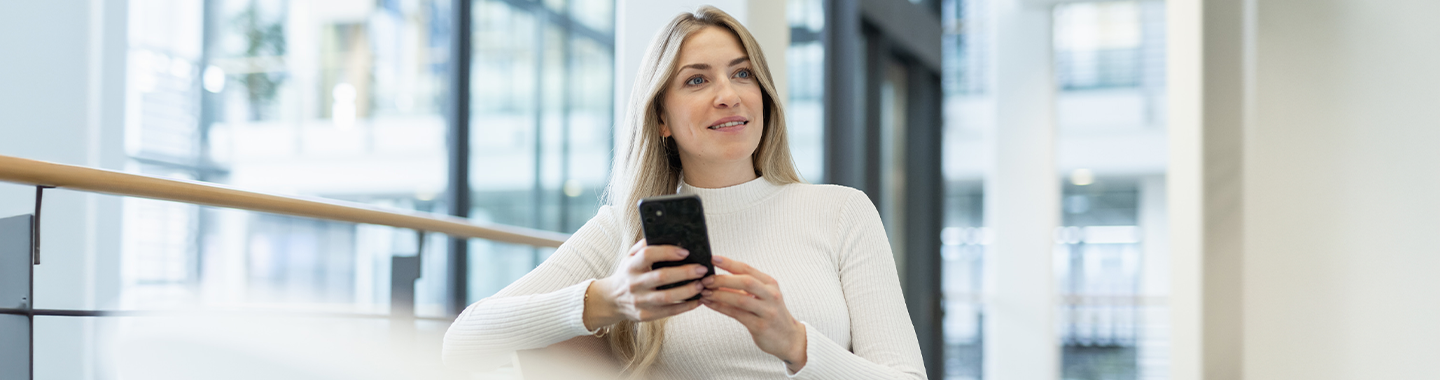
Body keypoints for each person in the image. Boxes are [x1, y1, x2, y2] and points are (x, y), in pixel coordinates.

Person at [442, 6, 924, 379]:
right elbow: (463, 338)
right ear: (661, 118)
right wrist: (611, 299)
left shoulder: (841, 211)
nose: (728, 94)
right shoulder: (626, 229)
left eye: (742, 73)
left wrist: (795, 342)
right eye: (697, 80)